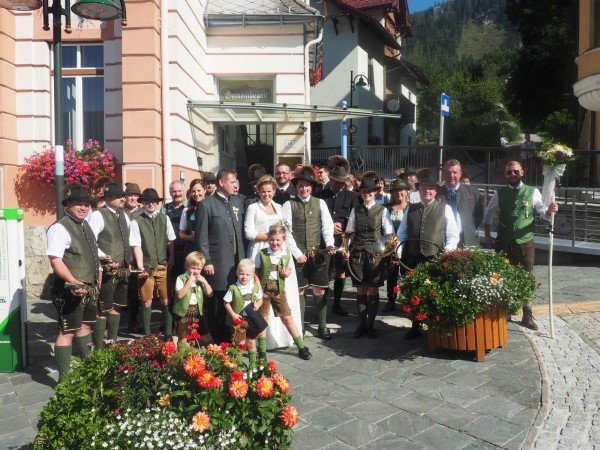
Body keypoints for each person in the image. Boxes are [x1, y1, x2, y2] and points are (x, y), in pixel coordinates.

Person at [483, 160, 559, 330]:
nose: (512, 174)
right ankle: (506, 310)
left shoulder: (532, 192)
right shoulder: (499, 193)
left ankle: (527, 314)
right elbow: (488, 215)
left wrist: (550, 211)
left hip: (525, 242)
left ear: (522, 172)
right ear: (505, 175)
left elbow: (543, 213)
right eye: (509, 172)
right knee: (502, 276)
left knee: (527, 278)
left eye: (515, 171)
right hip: (503, 241)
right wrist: (487, 236)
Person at [46, 184, 100, 379]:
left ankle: (89, 370)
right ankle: (64, 380)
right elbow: (56, 260)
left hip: (88, 288)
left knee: (85, 326)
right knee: (67, 331)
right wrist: (74, 281)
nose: (83, 207)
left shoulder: (85, 225)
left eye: (86, 204)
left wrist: (99, 271)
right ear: (68, 204)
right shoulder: (59, 228)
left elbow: (92, 252)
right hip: (69, 289)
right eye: (78, 203)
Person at [396, 174, 460, 339]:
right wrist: (399, 249)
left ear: (436, 191)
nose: (427, 191)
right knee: (414, 292)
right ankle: (415, 325)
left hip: (434, 257)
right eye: (424, 188)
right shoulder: (411, 209)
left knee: (433, 292)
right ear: (419, 190)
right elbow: (402, 233)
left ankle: (434, 328)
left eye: (431, 188)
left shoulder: (445, 208)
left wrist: (449, 249)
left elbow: (453, 234)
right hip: (413, 257)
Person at [244, 175, 303, 350]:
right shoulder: (253, 208)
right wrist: (272, 238)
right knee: (261, 292)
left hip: (279, 251)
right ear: (258, 191)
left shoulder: (279, 207)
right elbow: (249, 233)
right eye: (263, 191)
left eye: (269, 191)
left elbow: (287, 233)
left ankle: (284, 337)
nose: (266, 194)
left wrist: (296, 253)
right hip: (260, 251)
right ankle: (262, 340)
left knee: (281, 291)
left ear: (274, 191)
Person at [281, 169, 336, 340]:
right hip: (297, 254)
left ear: (311, 187)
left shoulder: (320, 203)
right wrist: (297, 253)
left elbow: (327, 226)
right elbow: (286, 231)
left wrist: (329, 244)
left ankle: (322, 325)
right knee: (300, 290)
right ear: (296, 187)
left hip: (318, 253)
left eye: (306, 186)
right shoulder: (288, 205)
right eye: (300, 186)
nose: (303, 189)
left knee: (319, 289)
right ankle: (300, 326)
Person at [195, 168, 246, 343]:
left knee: (233, 298)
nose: (235, 185)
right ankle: (217, 340)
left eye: (236, 181)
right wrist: (207, 261)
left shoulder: (237, 202)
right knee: (218, 301)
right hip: (218, 262)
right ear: (221, 183)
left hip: (236, 261)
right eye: (232, 182)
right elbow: (201, 238)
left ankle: (231, 336)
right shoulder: (206, 205)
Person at [342, 178, 395, 338]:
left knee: (372, 289)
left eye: (370, 191)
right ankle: (362, 325)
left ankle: (370, 325)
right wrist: (346, 249)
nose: (367, 193)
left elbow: (389, 234)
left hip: (375, 255)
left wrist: (388, 253)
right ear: (360, 193)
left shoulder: (382, 211)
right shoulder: (355, 210)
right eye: (364, 191)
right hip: (358, 254)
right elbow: (349, 233)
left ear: (375, 192)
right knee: (360, 289)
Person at [255, 224, 312, 360]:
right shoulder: (262, 253)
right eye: (272, 240)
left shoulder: (286, 254)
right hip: (264, 292)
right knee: (263, 320)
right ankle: (262, 351)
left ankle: (301, 346)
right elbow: (256, 271)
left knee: (287, 317)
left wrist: (286, 274)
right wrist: (259, 289)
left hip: (279, 291)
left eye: (278, 240)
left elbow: (289, 270)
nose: (274, 243)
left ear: (283, 240)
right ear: (268, 239)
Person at [86, 182, 130, 348]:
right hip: (105, 270)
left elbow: (128, 241)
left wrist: (130, 261)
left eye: (123, 196)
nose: (123, 199)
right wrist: (103, 257)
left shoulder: (124, 215)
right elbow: (90, 241)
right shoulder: (98, 215)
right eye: (119, 196)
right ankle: (98, 348)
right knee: (103, 308)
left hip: (122, 268)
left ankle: (112, 344)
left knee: (117, 306)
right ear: (109, 198)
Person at [129, 188, 176, 337]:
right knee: (146, 300)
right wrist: (140, 266)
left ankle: (168, 334)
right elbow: (136, 246)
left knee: (166, 299)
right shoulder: (136, 221)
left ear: (158, 203)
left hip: (163, 265)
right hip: (146, 266)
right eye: (147, 201)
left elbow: (170, 240)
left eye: (154, 201)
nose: (151, 204)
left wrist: (172, 257)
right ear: (143, 203)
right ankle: (147, 335)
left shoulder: (164, 218)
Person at [315, 165, 360, 316]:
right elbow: (315, 217)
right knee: (325, 273)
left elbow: (355, 218)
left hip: (343, 239)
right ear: (331, 179)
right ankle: (321, 308)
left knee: (341, 271)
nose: (339, 184)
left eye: (342, 182)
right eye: (336, 181)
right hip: (324, 239)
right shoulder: (320, 195)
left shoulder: (352, 196)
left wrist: (344, 225)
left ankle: (337, 304)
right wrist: (329, 225)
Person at [223, 259, 264, 366]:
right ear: (237, 273)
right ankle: (236, 366)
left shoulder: (254, 287)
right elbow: (226, 303)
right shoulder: (233, 288)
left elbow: (260, 299)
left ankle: (252, 366)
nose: (244, 277)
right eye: (241, 274)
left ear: (252, 275)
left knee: (251, 342)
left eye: (247, 274)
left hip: (251, 320)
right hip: (240, 320)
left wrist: (257, 305)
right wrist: (233, 314)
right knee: (239, 343)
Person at [437, 159, 484, 247]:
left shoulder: (472, 192)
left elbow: (479, 214)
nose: (451, 175)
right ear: (444, 174)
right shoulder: (437, 194)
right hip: (443, 241)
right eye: (448, 172)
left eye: (454, 172)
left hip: (468, 240)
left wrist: (469, 228)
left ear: (460, 173)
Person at [173, 251, 214, 349]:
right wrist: (189, 282)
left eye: (198, 269)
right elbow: (180, 295)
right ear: (186, 266)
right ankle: (181, 355)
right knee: (183, 336)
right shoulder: (181, 278)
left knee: (206, 334)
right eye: (193, 268)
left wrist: (205, 282)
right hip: (184, 312)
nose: (195, 271)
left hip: (197, 311)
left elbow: (210, 294)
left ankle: (213, 353)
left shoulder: (200, 279)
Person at [382, 178, 409, 312]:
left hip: (407, 246)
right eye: (396, 190)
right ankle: (391, 299)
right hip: (390, 246)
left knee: (406, 274)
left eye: (401, 190)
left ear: (406, 192)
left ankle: (407, 300)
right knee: (391, 273)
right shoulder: (386, 208)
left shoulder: (411, 208)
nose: (399, 193)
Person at [123, 182, 143, 332]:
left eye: (136, 195)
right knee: (121, 290)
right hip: (122, 256)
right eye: (130, 195)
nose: (133, 198)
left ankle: (134, 320)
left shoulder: (143, 213)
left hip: (139, 257)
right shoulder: (119, 212)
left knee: (136, 292)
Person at [179, 178, 205, 255]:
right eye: (193, 191)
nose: (196, 194)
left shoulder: (212, 208)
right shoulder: (187, 211)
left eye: (199, 190)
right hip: (192, 249)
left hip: (208, 248)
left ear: (205, 190)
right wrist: (190, 238)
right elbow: (181, 233)